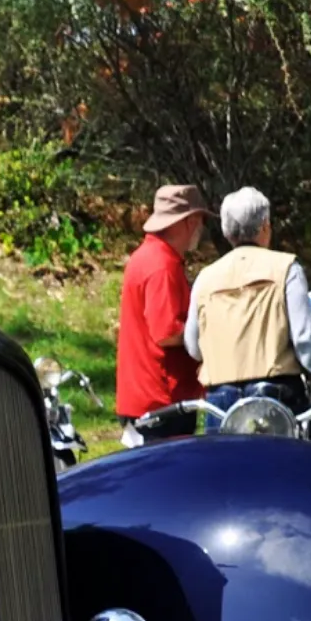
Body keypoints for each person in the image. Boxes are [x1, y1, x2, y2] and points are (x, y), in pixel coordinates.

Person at [185, 186, 311, 415]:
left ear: (227, 233)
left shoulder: (205, 278)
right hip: (277, 396)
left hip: (219, 400)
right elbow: (305, 339)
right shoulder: (287, 269)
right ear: (265, 226)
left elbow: (193, 346)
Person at [115, 184, 212, 445]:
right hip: (161, 403)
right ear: (189, 221)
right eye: (200, 220)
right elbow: (167, 333)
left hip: (145, 399)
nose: (201, 228)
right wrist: (208, 333)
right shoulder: (162, 266)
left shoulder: (148, 256)